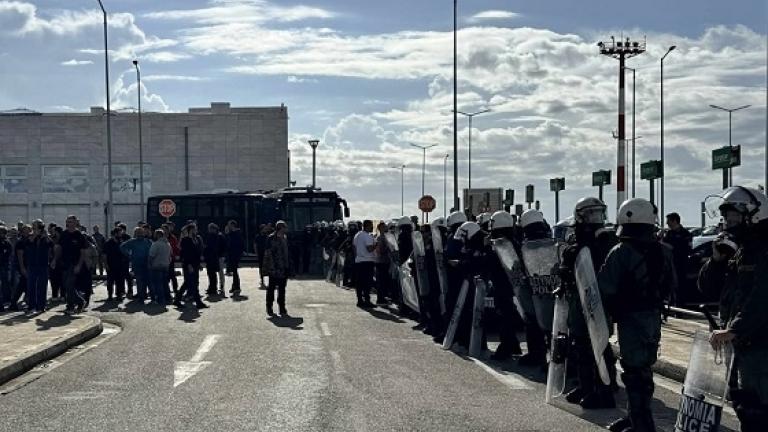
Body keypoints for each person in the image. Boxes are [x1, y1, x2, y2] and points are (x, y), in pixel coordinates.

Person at [598, 198, 676, 432]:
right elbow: (672, 285)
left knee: (633, 371)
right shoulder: (665, 251)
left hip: (630, 318)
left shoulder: (620, 252)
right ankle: (637, 418)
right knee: (644, 368)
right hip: (653, 316)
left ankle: (641, 423)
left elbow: (605, 287)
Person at [701, 187, 768, 431]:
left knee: (758, 408)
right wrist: (717, 261)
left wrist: (734, 329)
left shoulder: (763, 249)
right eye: (727, 217)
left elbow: (762, 298)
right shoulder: (740, 250)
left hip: (760, 344)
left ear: (754, 215)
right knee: (743, 404)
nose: (729, 222)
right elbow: (706, 288)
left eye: (735, 216)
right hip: (741, 343)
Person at [558, 197, 618, 409]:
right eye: (591, 213)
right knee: (581, 344)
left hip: (598, 300)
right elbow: (567, 269)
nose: (595, 218)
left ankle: (605, 388)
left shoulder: (608, 241)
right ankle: (586, 387)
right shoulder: (577, 243)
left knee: (599, 344)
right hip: (579, 299)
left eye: (598, 213)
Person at [56, 216, 88, 314]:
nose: (69, 224)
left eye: (71, 222)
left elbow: (83, 252)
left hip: (74, 264)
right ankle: (80, 302)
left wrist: (79, 265)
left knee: (69, 285)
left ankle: (71, 306)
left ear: (75, 223)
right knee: (66, 285)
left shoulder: (79, 235)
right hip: (64, 263)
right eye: (68, 222)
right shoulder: (64, 234)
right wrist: (54, 260)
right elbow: (59, 248)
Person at [20, 220, 53, 313]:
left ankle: (41, 307)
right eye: (34, 226)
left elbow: (51, 245)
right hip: (32, 265)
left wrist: (46, 236)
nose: (35, 228)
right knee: (31, 286)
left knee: (42, 286)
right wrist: (34, 235)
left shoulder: (45, 237)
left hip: (43, 265)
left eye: (37, 226)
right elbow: (26, 245)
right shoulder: (30, 236)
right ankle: (31, 306)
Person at [661, 212, 692, 306]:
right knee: (670, 286)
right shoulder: (669, 233)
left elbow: (682, 248)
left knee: (680, 286)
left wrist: (666, 244)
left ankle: (681, 306)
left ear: (674, 221)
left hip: (681, 264)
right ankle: (671, 306)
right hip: (670, 264)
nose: (667, 223)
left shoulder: (685, 233)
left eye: (668, 221)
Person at [262, 220, 292, 316]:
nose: (286, 229)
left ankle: (282, 307)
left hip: (284, 266)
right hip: (274, 267)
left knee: (282, 288)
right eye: (285, 227)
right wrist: (268, 267)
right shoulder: (271, 238)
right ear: (280, 228)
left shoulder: (285, 238)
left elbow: (287, 252)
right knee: (271, 288)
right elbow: (267, 253)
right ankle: (269, 307)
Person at [176, 223, 207, 309]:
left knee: (189, 283)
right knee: (192, 283)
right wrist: (189, 265)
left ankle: (177, 300)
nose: (196, 230)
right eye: (195, 229)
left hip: (195, 264)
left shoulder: (196, 239)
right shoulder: (185, 240)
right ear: (191, 230)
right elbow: (185, 254)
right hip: (188, 264)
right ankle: (198, 302)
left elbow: (196, 253)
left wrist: (199, 264)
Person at [120, 227, 152, 301]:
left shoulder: (146, 241)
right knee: (143, 280)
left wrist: (129, 255)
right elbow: (122, 247)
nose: (140, 234)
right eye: (139, 232)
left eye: (141, 232)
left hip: (143, 263)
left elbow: (122, 247)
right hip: (140, 263)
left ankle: (143, 296)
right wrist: (128, 255)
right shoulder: (136, 241)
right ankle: (143, 296)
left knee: (143, 280)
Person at [353, 220, 376, 308]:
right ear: (367, 226)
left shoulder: (357, 235)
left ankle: (359, 300)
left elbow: (354, 247)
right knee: (367, 282)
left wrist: (358, 256)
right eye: (371, 225)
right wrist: (376, 245)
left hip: (358, 261)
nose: (372, 227)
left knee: (359, 282)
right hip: (367, 261)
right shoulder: (367, 236)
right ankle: (367, 301)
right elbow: (369, 249)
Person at [148, 229, 171, 305]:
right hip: (165, 265)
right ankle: (168, 298)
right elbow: (169, 255)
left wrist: (149, 264)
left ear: (157, 235)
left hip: (157, 266)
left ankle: (160, 299)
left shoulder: (156, 244)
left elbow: (151, 255)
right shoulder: (167, 244)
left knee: (158, 284)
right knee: (165, 283)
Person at [103, 227, 127, 300]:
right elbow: (104, 254)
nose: (121, 235)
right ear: (115, 233)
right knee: (110, 281)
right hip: (111, 265)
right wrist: (106, 264)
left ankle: (119, 295)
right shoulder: (108, 242)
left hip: (120, 264)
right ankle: (110, 295)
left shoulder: (121, 242)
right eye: (120, 233)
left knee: (120, 280)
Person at [203, 223, 226, 297]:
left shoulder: (219, 236)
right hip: (213, 256)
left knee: (219, 272)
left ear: (214, 229)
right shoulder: (212, 236)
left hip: (218, 256)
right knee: (213, 273)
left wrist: (221, 254)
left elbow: (223, 246)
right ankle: (212, 287)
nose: (209, 230)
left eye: (210, 228)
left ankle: (221, 286)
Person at [374, 221, 391, 305]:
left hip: (383, 261)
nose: (386, 228)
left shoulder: (383, 237)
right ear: (380, 228)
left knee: (383, 281)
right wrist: (388, 247)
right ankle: (380, 299)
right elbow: (380, 251)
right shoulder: (381, 238)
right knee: (381, 281)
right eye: (384, 227)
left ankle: (383, 297)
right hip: (381, 262)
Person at [225, 220, 244, 294]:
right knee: (234, 271)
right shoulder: (232, 233)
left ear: (232, 225)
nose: (228, 226)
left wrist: (239, 254)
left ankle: (237, 286)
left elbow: (239, 244)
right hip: (232, 254)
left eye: (229, 225)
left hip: (235, 255)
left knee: (235, 271)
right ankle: (234, 286)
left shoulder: (236, 234)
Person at [0, 226, 12, 312]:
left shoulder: (7, 242)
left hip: (4, 266)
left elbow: (7, 254)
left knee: (5, 285)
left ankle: (5, 301)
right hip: (3, 266)